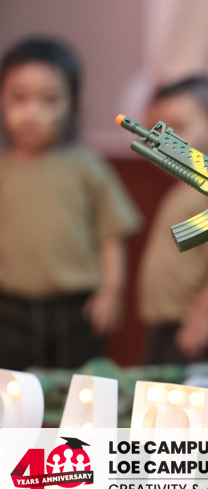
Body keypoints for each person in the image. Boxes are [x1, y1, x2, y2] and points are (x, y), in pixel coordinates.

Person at [0, 38, 141, 370]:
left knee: (77, 387)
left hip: (76, 310)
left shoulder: (87, 167)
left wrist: (111, 292)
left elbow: (111, 235)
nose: (31, 113)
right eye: (19, 98)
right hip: (8, 309)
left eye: (49, 100)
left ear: (75, 104)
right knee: (13, 389)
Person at [137, 77, 208, 364]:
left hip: (193, 329)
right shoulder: (182, 188)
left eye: (179, 127)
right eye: (155, 130)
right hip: (165, 326)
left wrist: (204, 312)